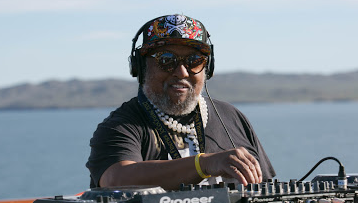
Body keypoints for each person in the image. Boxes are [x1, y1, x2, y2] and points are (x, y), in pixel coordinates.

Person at [86, 14, 275, 190]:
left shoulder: (232, 117)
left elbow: (267, 191)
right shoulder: (122, 126)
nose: (182, 72)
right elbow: (116, 179)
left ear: (207, 68)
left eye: (194, 61)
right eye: (167, 60)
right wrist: (205, 164)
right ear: (141, 68)